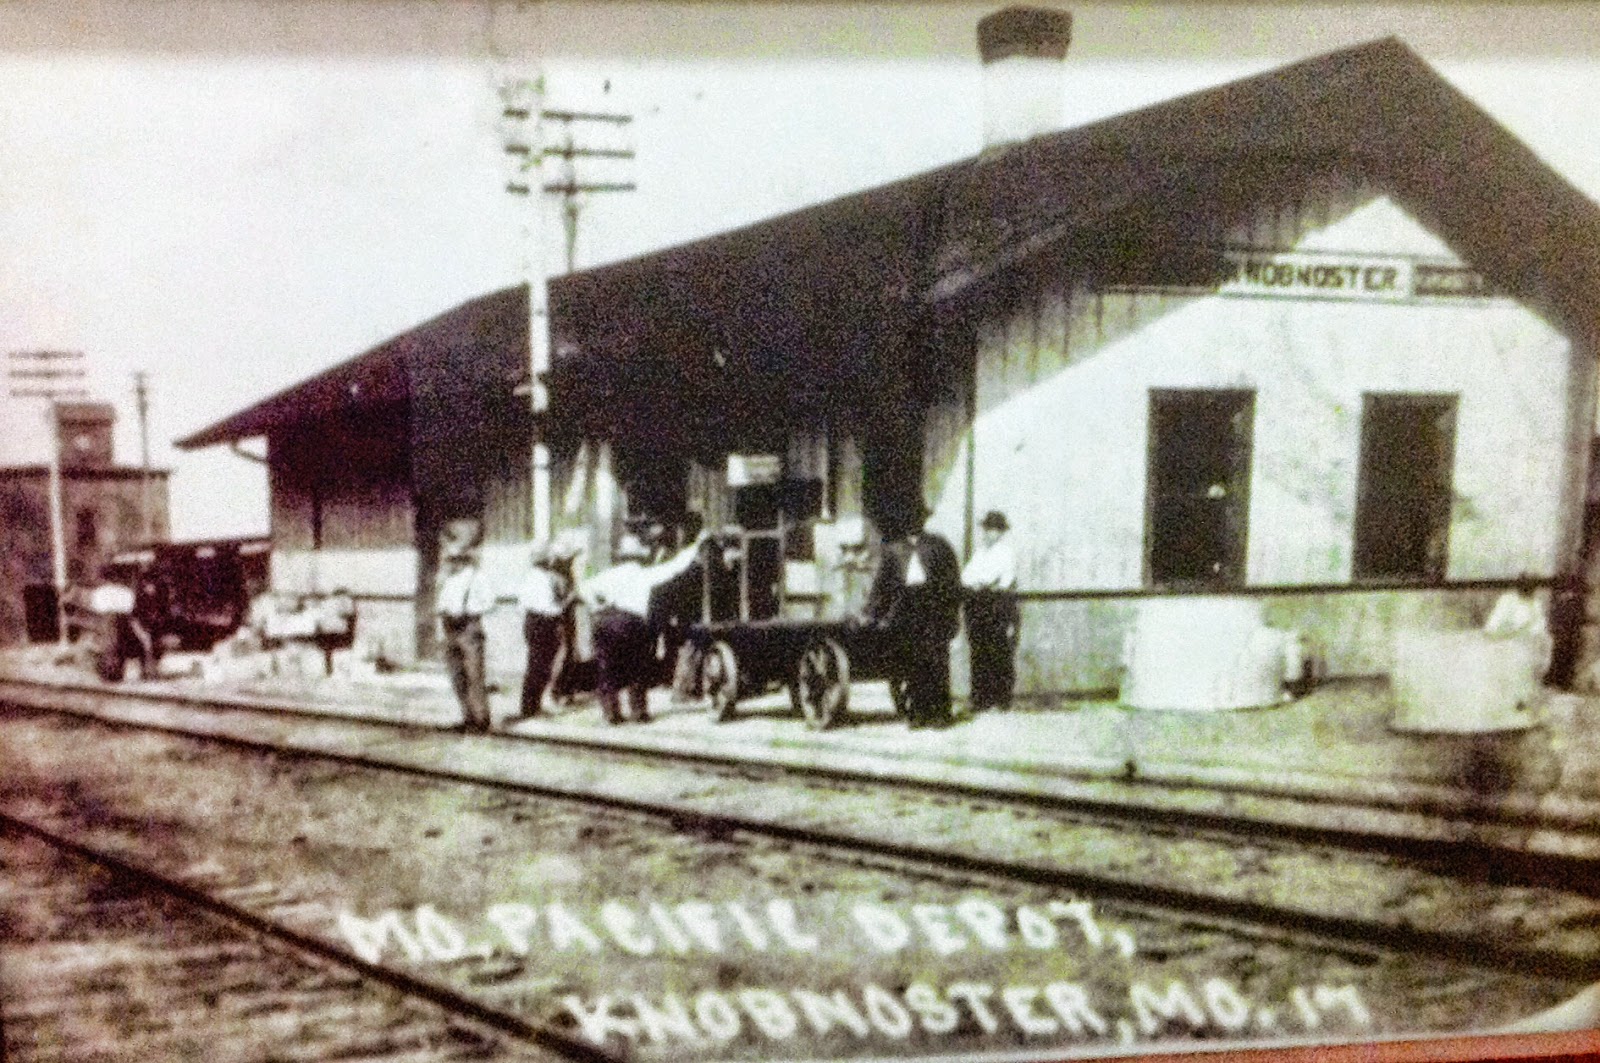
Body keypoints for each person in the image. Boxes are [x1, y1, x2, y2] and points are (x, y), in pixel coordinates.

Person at [581, 529, 708, 724]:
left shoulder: (609, 574)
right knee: (637, 668)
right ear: (640, 556)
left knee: (607, 668)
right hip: (632, 622)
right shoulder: (644, 574)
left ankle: (611, 714)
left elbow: (584, 588)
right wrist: (696, 545)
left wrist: (598, 605)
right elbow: (675, 566)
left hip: (605, 620)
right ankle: (638, 712)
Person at [864, 507, 963, 729]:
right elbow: (882, 585)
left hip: (934, 608)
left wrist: (952, 615)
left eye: (917, 518)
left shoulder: (938, 546)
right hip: (907, 610)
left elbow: (952, 582)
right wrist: (871, 612)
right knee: (913, 663)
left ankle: (940, 714)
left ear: (923, 521)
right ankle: (918, 713)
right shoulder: (894, 550)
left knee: (936, 661)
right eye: (908, 519)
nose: (912, 524)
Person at [433, 517, 495, 733]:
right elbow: (440, 603)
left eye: (456, 559)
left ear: (465, 560)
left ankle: (481, 720)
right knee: (456, 675)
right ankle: (467, 717)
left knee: (474, 675)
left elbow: (490, 602)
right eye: (450, 559)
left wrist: (469, 609)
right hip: (449, 628)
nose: (452, 563)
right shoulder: (446, 579)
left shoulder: (476, 577)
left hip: (469, 628)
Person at [962, 510, 1020, 712]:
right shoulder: (980, 553)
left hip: (996, 604)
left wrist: (984, 583)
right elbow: (967, 577)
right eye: (987, 529)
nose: (989, 533)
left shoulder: (1006, 553)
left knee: (998, 650)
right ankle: (980, 698)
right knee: (979, 650)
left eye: (994, 530)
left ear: (1001, 532)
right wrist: (975, 584)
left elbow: (1001, 579)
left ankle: (1001, 698)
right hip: (977, 604)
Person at [515, 541, 570, 719]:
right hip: (543, 622)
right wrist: (565, 604)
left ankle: (530, 705)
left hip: (531, 621)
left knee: (535, 664)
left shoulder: (529, 577)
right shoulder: (544, 579)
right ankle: (531, 707)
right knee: (540, 666)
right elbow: (549, 608)